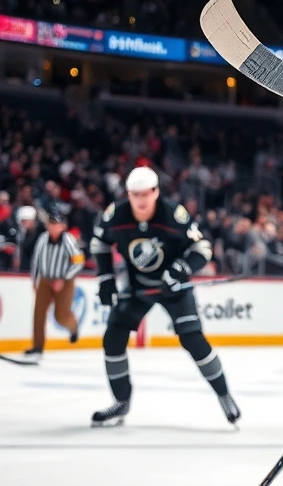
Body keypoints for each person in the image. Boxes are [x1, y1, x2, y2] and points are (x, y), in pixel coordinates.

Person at [88, 166, 240, 427]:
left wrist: (181, 270)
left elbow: (201, 247)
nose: (141, 200)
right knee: (113, 337)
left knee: (193, 339)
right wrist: (105, 278)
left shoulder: (173, 215)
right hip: (138, 287)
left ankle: (224, 394)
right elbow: (99, 243)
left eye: (146, 194)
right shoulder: (116, 214)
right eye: (135, 194)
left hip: (174, 288)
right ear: (128, 194)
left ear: (157, 192)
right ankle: (121, 402)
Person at [22, 202, 85, 363]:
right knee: (38, 313)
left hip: (64, 281)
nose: (53, 227)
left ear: (63, 226)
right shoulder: (43, 239)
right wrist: (35, 280)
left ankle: (73, 326)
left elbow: (79, 261)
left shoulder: (68, 240)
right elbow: (36, 260)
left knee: (61, 316)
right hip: (45, 280)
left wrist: (63, 278)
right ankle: (37, 347)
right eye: (51, 224)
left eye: (56, 224)